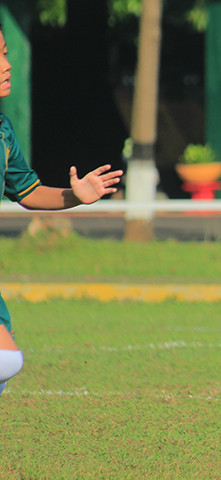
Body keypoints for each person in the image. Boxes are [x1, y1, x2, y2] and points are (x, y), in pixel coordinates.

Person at [0, 26, 123, 398]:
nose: (7, 65)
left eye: (6, 53)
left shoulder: (3, 131)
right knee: (7, 359)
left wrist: (76, 194)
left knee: (6, 363)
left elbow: (29, 191)